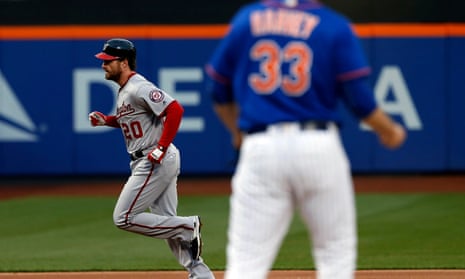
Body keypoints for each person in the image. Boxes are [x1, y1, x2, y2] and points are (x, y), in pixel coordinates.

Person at [205, 1, 406, 279]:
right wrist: (389, 129)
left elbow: (217, 89)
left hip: (260, 146)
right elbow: (359, 100)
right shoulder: (333, 25)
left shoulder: (247, 19)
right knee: (334, 254)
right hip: (318, 145)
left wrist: (236, 131)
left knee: (245, 261)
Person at [89, 38, 215, 279]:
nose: (103, 65)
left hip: (153, 158)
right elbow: (132, 121)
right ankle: (200, 273)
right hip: (150, 157)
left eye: (108, 61)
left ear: (124, 62)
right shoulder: (126, 91)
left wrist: (161, 147)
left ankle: (189, 226)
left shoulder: (139, 86)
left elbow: (175, 109)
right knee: (167, 222)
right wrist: (107, 120)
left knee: (124, 217)